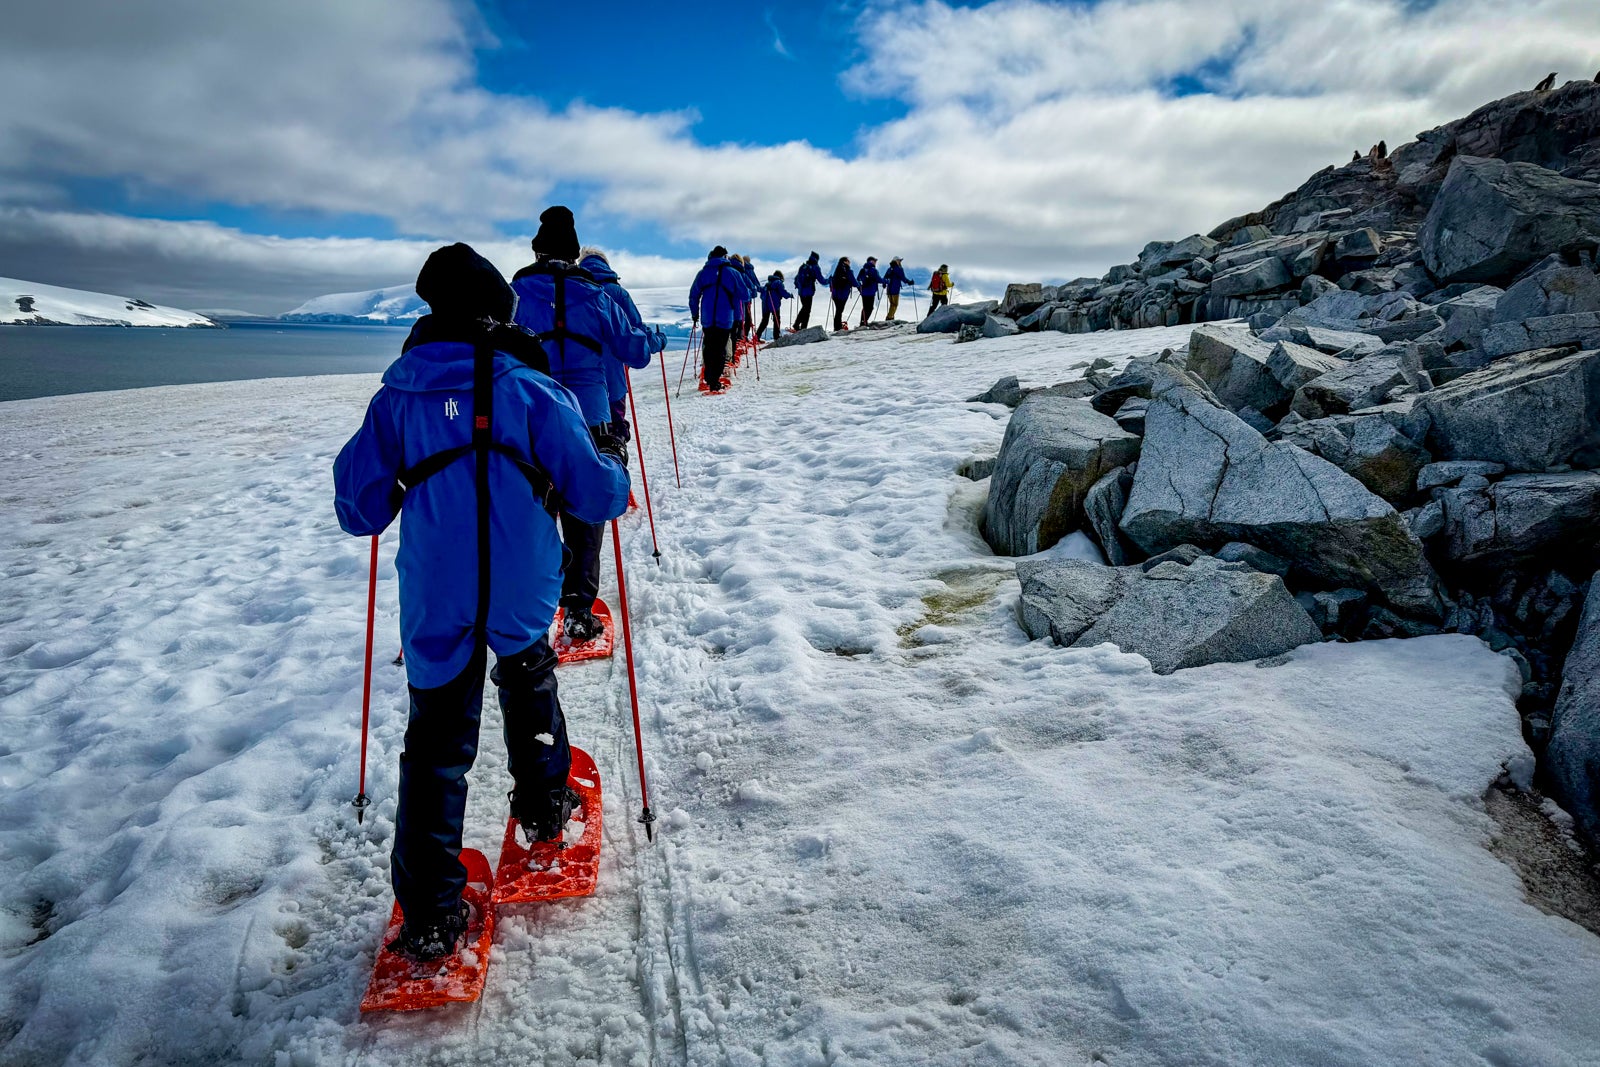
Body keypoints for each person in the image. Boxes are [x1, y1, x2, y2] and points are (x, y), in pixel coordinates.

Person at [333, 243, 630, 961]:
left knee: (435, 738)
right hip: (522, 583)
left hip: (436, 593)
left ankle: (432, 909)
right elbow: (595, 492)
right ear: (498, 309)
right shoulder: (532, 388)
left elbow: (359, 506)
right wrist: (614, 467)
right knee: (528, 683)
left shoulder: (399, 392)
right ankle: (543, 807)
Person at [511, 207, 653, 644]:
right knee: (584, 513)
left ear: (536, 249)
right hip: (588, 417)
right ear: (574, 256)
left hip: (531, 417)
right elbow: (635, 352)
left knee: (532, 512)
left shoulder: (516, 293)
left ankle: (529, 607)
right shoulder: (597, 295)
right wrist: (654, 338)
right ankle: (577, 610)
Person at [579, 247, 669, 456]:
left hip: (573, 386)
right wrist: (660, 341)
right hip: (613, 383)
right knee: (613, 439)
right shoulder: (616, 293)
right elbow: (638, 337)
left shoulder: (569, 291)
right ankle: (617, 483)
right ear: (606, 266)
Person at [689, 246, 746, 393]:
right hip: (725, 317)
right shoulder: (732, 273)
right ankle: (714, 381)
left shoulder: (703, 273)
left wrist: (695, 314)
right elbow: (745, 294)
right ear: (725, 256)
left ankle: (708, 378)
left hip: (707, 317)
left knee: (709, 347)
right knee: (720, 348)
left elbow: (694, 295)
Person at [757, 271, 793, 342]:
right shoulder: (778, 282)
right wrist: (789, 295)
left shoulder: (767, 284)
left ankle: (757, 336)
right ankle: (776, 337)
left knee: (764, 321)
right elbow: (783, 292)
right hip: (774, 303)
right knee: (777, 320)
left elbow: (762, 291)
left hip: (765, 304)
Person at [793, 251, 825, 331]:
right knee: (807, 310)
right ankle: (800, 326)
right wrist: (829, 280)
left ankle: (799, 325)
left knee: (804, 308)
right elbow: (821, 280)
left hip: (801, 292)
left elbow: (796, 279)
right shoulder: (815, 267)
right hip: (809, 291)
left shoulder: (803, 267)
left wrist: (799, 287)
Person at [828, 256, 855, 331]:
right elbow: (854, 282)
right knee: (839, 311)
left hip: (835, 294)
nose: (849, 263)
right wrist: (859, 285)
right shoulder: (848, 271)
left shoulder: (837, 270)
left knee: (838, 311)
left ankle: (837, 326)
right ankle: (838, 327)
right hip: (843, 294)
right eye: (848, 261)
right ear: (845, 261)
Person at [856, 256, 883, 326]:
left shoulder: (862, 270)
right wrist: (887, 281)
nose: (875, 262)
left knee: (865, 308)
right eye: (875, 261)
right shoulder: (873, 270)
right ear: (871, 261)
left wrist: (860, 289)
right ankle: (864, 322)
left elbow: (858, 279)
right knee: (870, 308)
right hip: (871, 291)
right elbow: (879, 279)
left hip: (864, 292)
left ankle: (863, 322)